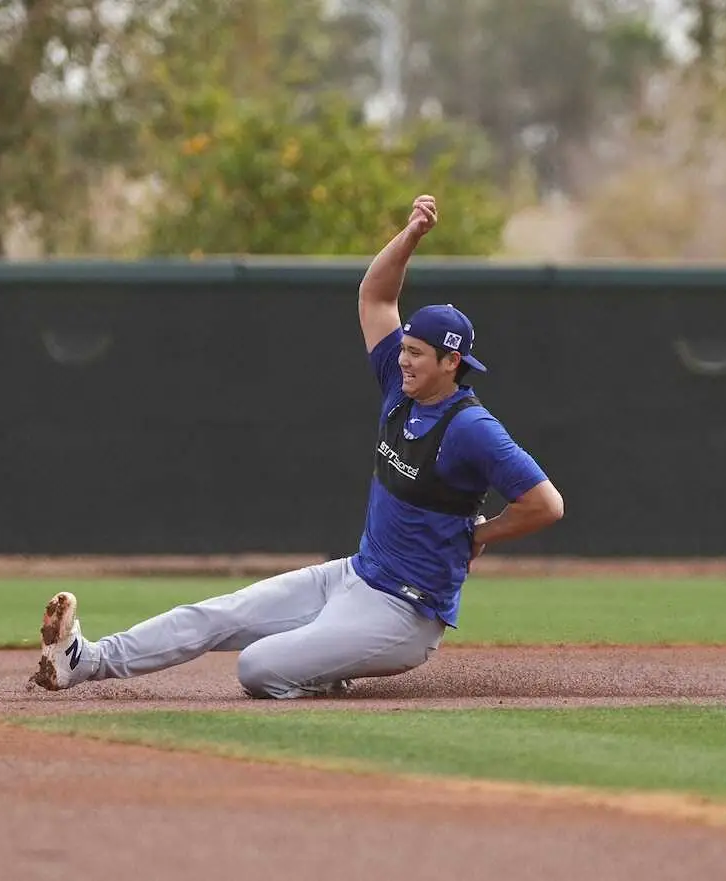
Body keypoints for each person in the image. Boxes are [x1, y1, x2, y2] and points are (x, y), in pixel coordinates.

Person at [29, 194, 565, 699]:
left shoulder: (471, 427)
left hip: (405, 614)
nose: (404, 359)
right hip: (354, 575)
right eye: (404, 348)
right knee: (217, 613)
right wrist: (410, 236)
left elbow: (545, 503)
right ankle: (85, 660)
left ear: (452, 363)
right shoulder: (399, 391)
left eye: (418, 354)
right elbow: (376, 295)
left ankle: (322, 673)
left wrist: (480, 533)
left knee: (257, 667)